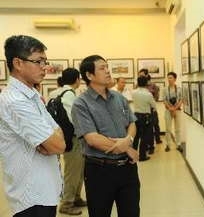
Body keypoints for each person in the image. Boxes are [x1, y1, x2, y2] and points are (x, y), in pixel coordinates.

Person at [0, 35, 66, 217]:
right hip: (31, 197)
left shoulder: (32, 95)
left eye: (45, 61)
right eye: (39, 61)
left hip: (45, 190)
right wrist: (52, 140)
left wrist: (51, 140)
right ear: (18, 63)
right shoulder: (14, 100)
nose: (45, 67)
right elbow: (58, 145)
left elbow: (59, 133)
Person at [71, 55, 140, 217]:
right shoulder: (81, 104)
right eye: (102, 68)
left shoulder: (119, 98)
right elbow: (92, 138)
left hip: (127, 169)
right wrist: (127, 149)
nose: (108, 71)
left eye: (107, 67)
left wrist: (128, 140)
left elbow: (132, 123)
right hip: (99, 171)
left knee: (132, 213)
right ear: (89, 75)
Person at [58, 68, 86, 215]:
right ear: (77, 79)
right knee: (73, 172)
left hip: (67, 137)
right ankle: (66, 203)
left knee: (79, 170)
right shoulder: (69, 95)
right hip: (73, 139)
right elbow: (73, 119)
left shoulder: (59, 92)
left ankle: (76, 197)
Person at [132, 76, 156, 161]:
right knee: (144, 137)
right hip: (146, 117)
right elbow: (154, 105)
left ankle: (133, 155)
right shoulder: (148, 94)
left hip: (136, 116)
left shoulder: (133, 92)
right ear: (146, 83)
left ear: (138, 83)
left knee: (136, 137)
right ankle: (142, 156)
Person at [138, 69, 162, 145]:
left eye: (142, 75)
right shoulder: (137, 86)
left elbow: (156, 98)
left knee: (155, 124)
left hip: (152, 108)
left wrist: (151, 101)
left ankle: (158, 139)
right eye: (139, 75)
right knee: (148, 128)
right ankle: (149, 144)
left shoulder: (153, 85)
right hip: (143, 109)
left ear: (147, 75)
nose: (140, 76)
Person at [163, 72, 183, 152]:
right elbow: (164, 100)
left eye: (171, 77)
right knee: (168, 129)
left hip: (177, 110)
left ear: (175, 79)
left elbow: (181, 99)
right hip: (168, 110)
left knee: (177, 129)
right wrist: (170, 108)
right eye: (168, 78)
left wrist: (175, 108)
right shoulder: (165, 89)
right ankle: (168, 145)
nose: (169, 79)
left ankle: (178, 144)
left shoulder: (179, 89)